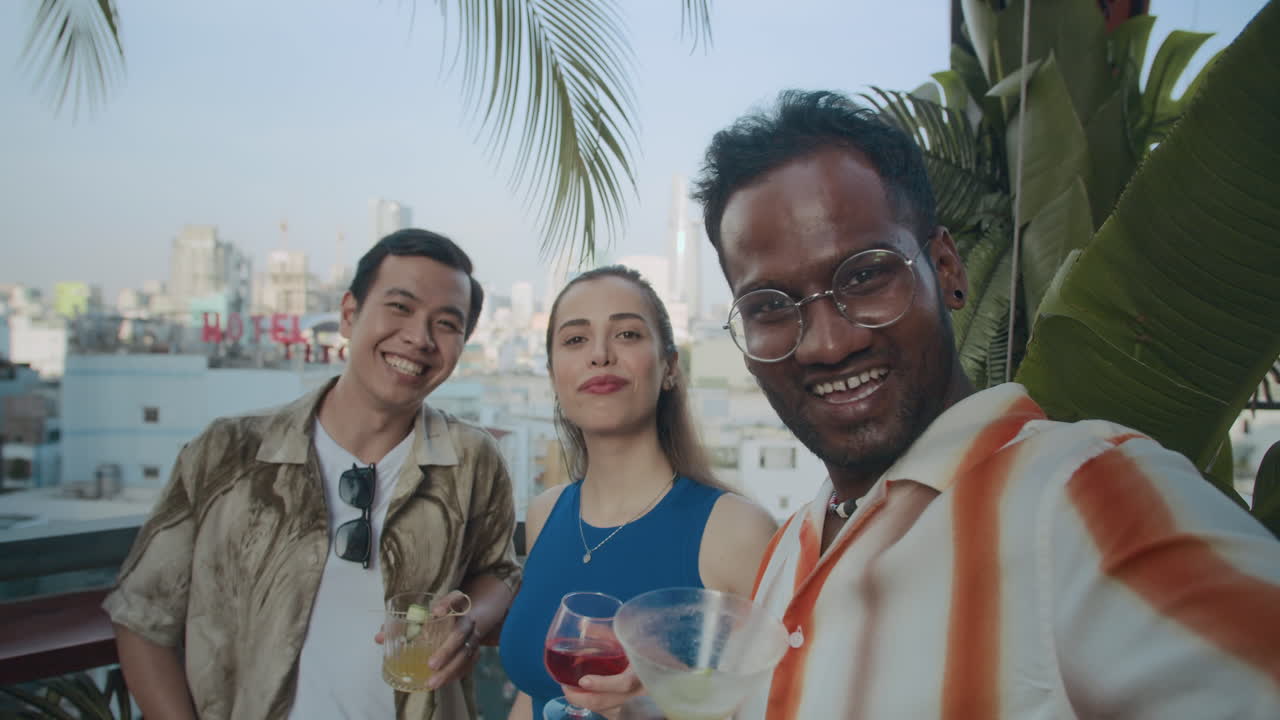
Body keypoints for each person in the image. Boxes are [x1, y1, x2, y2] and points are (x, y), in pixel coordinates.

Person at [691, 89, 1280, 718]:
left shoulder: (1085, 498)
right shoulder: (789, 550)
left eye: (864, 276)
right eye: (770, 307)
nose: (829, 344)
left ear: (946, 268)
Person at [103, 229, 521, 720]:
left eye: (446, 324)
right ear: (349, 314)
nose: (419, 337)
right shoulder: (231, 452)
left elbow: (500, 571)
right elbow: (142, 617)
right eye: (400, 308)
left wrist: (469, 620)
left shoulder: (470, 457)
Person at [498, 265, 778, 719]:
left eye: (627, 334)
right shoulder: (545, 511)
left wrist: (653, 705)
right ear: (554, 377)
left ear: (669, 368)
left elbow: (788, 701)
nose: (600, 354)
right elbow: (535, 694)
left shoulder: (735, 531)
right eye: (575, 340)